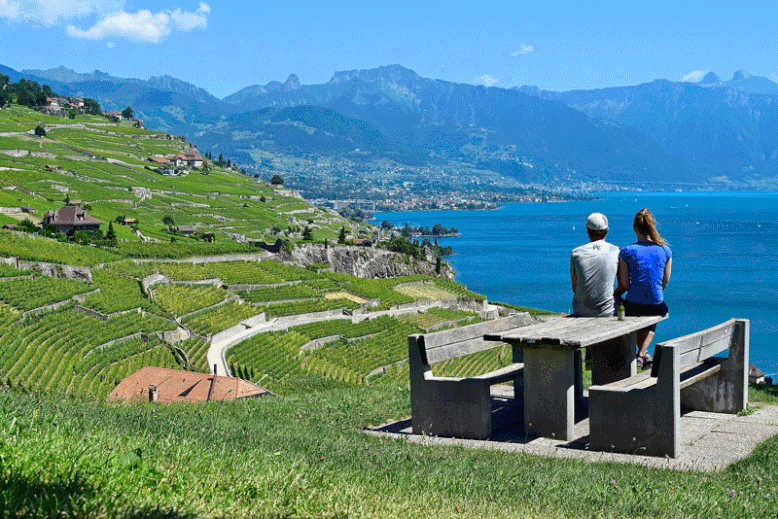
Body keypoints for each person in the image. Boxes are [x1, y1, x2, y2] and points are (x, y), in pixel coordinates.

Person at [616, 208, 672, 369]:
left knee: (634, 311)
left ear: (635, 228)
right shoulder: (665, 250)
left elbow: (625, 285)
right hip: (656, 303)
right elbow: (664, 282)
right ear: (652, 226)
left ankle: (641, 354)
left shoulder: (626, 252)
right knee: (656, 313)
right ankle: (643, 354)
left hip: (633, 303)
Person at [570, 212, 620, 317]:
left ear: (587, 231)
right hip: (607, 311)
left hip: (581, 310)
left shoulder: (576, 253)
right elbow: (623, 285)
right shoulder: (616, 251)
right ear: (607, 230)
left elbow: (575, 288)